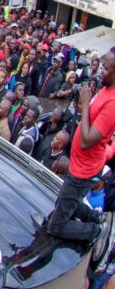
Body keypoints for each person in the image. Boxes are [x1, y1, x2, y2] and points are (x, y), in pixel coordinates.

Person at [48, 52, 115, 249]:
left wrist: (86, 103)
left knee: (56, 226)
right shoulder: (105, 90)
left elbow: (87, 141)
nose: (101, 70)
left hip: (83, 171)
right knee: (67, 202)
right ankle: (98, 219)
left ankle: (97, 232)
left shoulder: (112, 103)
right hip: (80, 164)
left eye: (106, 68)